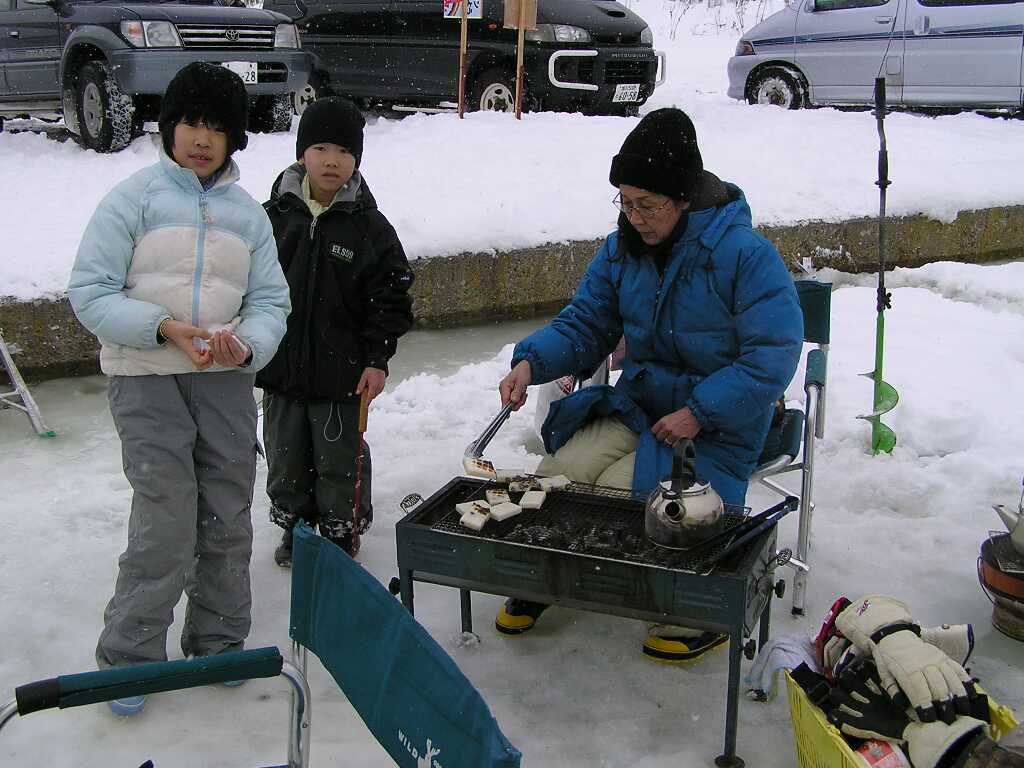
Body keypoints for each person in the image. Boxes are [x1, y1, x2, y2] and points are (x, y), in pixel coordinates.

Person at [494, 108, 804, 661]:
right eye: (625, 201)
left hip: (716, 424)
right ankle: (549, 574)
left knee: (632, 497)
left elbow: (772, 357)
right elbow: (586, 323)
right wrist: (530, 362)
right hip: (640, 406)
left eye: (647, 204)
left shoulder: (744, 256)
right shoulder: (621, 251)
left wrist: (702, 411)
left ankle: (695, 611)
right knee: (560, 475)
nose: (634, 217)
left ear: (683, 198)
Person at [66, 62, 291, 715]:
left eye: (217, 128)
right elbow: (90, 292)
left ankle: (219, 641)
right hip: (145, 377)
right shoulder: (132, 200)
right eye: (191, 122)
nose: (201, 137)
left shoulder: (248, 216)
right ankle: (129, 658)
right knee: (166, 517)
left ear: (234, 139)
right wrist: (161, 327)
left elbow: (271, 300)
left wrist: (245, 341)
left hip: (222, 381)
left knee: (226, 512)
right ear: (170, 128)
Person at [257, 97, 415, 566]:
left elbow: (392, 297)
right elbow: (249, 285)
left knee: (338, 457)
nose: (331, 160)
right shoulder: (273, 217)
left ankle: (342, 526)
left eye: (343, 151)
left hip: (343, 373)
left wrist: (376, 358)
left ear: (356, 160)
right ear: (302, 153)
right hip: (282, 368)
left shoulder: (369, 226)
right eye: (321, 148)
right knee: (285, 455)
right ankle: (297, 525)